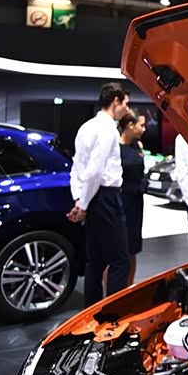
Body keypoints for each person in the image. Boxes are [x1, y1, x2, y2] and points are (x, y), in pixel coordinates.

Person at [67, 83, 130, 306]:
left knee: (95, 261)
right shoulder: (107, 129)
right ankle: (113, 313)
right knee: (120, 261)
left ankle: (92, 311)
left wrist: (79, 199)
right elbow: (95, 171)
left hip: (91, 197)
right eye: (125, 103)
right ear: (116, 101)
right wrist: (83, 206)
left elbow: (77, 168)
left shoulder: (86, 127)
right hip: (105, 198)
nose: (126, 109)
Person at [118, 110, 146, 286]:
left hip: (136, 202)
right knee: (117, 249)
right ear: (130, 125)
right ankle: (111, 293)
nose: (144, 129)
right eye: (141, 125)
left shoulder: (138, 145)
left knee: (133, 248)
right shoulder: (115, 148)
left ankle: (129, 287)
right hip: (121, 202)